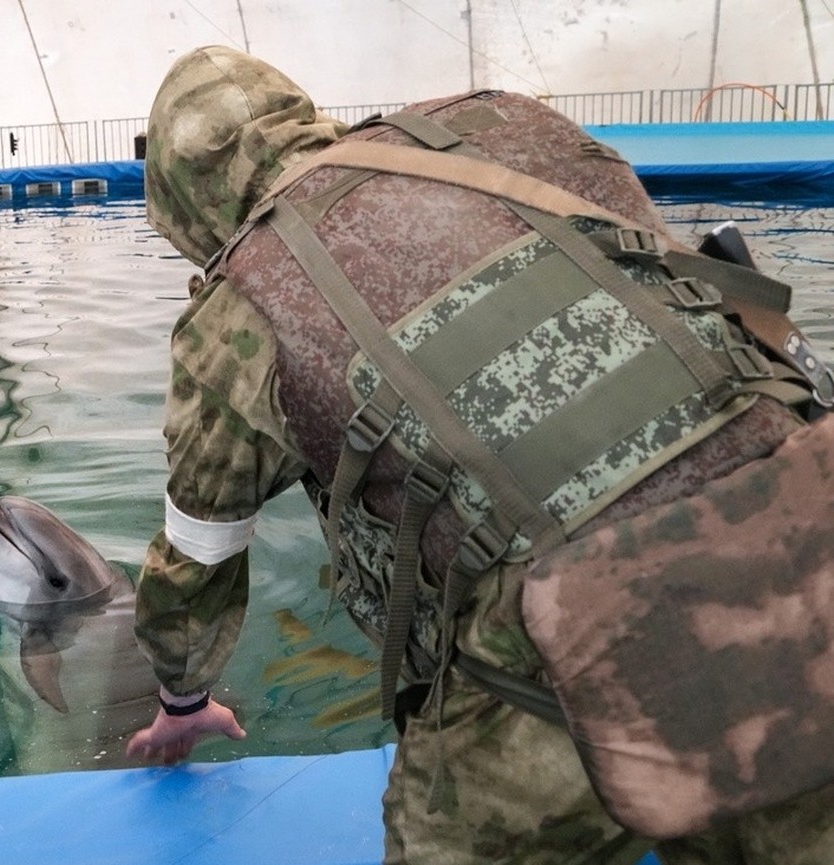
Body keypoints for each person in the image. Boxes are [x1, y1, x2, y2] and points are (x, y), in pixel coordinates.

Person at [124, 45, 834, 864]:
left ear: (181, 203)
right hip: (798, 501)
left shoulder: (236, 305)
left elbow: (198, 557)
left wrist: (182, 697)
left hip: (568, 624)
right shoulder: (503, 122)